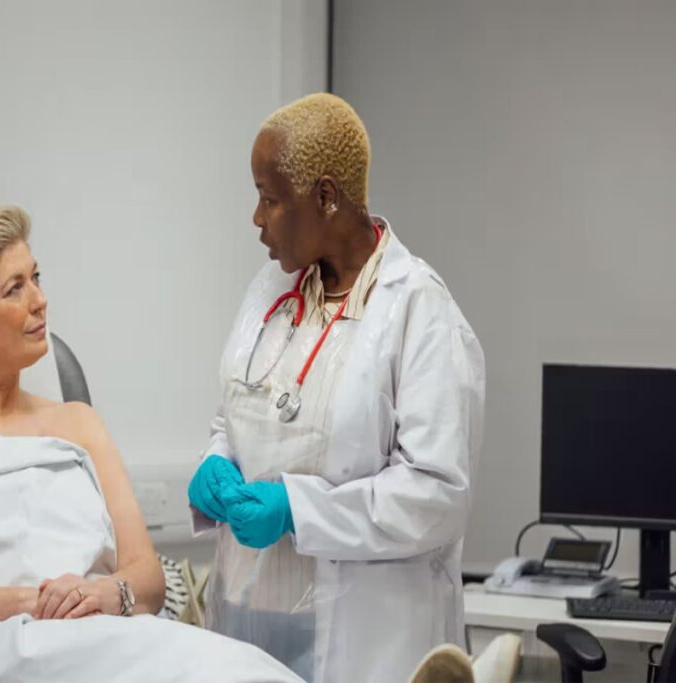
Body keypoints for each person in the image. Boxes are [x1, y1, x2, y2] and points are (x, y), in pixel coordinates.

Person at [0, 205, 304, 683]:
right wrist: (34, 601)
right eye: (15, 288)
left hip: (103, 639)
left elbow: (147, 577)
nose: (40, 300)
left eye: (36, 277)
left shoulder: (78, 423)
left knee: (249, 673)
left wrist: (109, 594)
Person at [188, 93, 486, 682]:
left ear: (326, 197)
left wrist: (297, 509)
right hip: (252, 617)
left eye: (270, 199)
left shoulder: (419, 311)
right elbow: (240, 415)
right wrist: (216, 460)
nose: (256, 218)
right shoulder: (269, 293)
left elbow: (437, 494)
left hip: (366, 636)